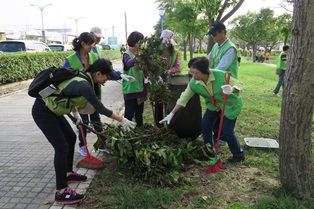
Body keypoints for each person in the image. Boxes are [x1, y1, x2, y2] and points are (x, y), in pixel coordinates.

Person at [31, 58, 136, 205]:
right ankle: (61, 191)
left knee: (71, 137)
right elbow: (101, 109)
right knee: (61, 147)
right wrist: (122, 119)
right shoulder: (85, 85)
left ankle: (67, 174)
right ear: (98, 74)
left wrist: (75, 113)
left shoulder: (83, 77)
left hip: (51, 111)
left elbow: (66, 94)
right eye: (107, 76)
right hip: (43, 112)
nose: (107, 79)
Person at [159, 57, 245, 162]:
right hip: (214, 105)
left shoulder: (220, 75)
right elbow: (183, 98)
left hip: (230, 104)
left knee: (227, 131)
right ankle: (209, 149)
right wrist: (171, 114)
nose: (193, 76)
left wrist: (231, 89)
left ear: (205, 70)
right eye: (191, 73)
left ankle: (238, 155)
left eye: (196, 73)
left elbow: (240, 84)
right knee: (205, 124)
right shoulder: (194, 83)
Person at [64, 32, 134, 156]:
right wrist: (74, 111)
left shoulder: (94, 56)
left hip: (94, 94)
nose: (93, 47)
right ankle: (83, 146)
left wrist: (120, 75)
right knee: (83, 124)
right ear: (83, 44)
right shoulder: (70, 60)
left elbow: (105, 71)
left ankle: (102, 143)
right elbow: (67, 85)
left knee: (97, 122)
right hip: (79, 99)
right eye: (91, 45)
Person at [206, 20, 238, 146]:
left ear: (223, 33)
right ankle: (217, 136)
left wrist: (206, 74)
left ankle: (223, 137)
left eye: (215, 34)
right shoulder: (216, 46)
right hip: (216, 83)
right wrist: (197, 66)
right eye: (212, 35)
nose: (213, 37)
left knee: (224, 111)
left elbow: (221, 67)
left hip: (226, 84)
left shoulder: (230, 48)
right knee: (216, 108)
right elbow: (207, 59)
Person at [154, 29, 180, 128]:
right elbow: (151, 66)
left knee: (169, 103)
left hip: (169, 80)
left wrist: (170, 71)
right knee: (159, 103)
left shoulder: (175, 53)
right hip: (157, 81)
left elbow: (177, 66)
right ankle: (159, 125)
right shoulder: (156, 52)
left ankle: (170, 124)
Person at [122, 31, 146, 127]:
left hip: (140, 89)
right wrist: (137, 58)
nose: (142, 44)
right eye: (141, 42)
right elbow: (128, 63)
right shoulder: (127, 54)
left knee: (139, 112)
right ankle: (127, 131)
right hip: (131, 90)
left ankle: (139, 129)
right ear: (136, 42)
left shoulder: (140, 53)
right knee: (129, 114)